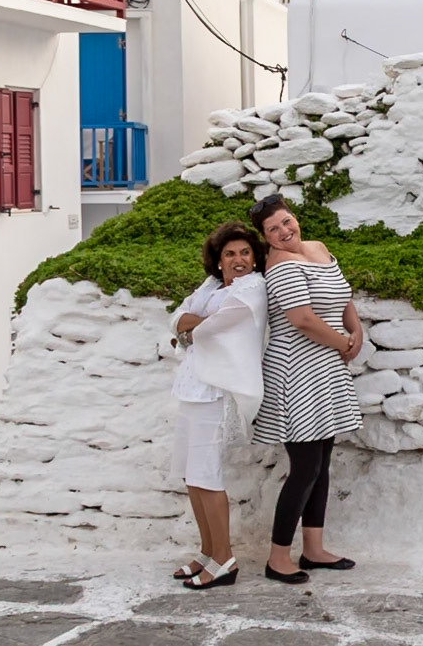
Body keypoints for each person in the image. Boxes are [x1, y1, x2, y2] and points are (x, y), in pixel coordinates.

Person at [249, 195, 365, 584]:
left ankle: (313, 549)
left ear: (295, 217)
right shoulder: (279, 266)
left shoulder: (318, 249)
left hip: (326, 367)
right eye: (273, 230)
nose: (284, 232)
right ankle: (277, 557)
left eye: (286, 221)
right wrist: (342, 343)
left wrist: (356, 330)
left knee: (323, 463)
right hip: (295, 371)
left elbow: (341, 293)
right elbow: (300, 318)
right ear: (265, 238)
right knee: (305, 467)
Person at [168, 221, 269, 590]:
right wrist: (191, 325)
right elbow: (176, 317)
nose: (238, 259)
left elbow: (207, 329)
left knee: (208, 474)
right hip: (192, 387)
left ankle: (225, 559)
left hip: (218, 390)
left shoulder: (253, 289)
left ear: (255, 257)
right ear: (218, 260)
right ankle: (208, 552)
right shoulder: (212, 286)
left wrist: (191, 327)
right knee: (191, 474)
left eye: (245, 252)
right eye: (230, 254)